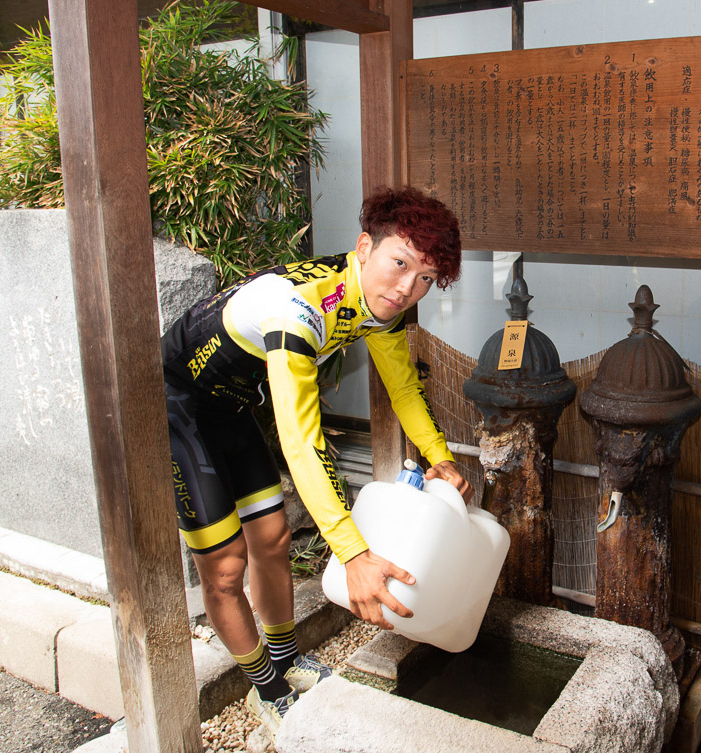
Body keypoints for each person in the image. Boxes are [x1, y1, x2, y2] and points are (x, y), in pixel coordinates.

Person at [160, 186, 472, 733]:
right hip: (176, 403)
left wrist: (439, 458)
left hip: (231, 405)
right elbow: (301, 440)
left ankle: (285, 659)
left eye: (424, 278)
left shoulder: (377, 304)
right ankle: (266, 688)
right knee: (228, 564)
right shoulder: (298, 310)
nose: (406, 288)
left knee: (274, 538)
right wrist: (351, 553)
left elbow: (403, 389)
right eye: (399, 264)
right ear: (363, 247)